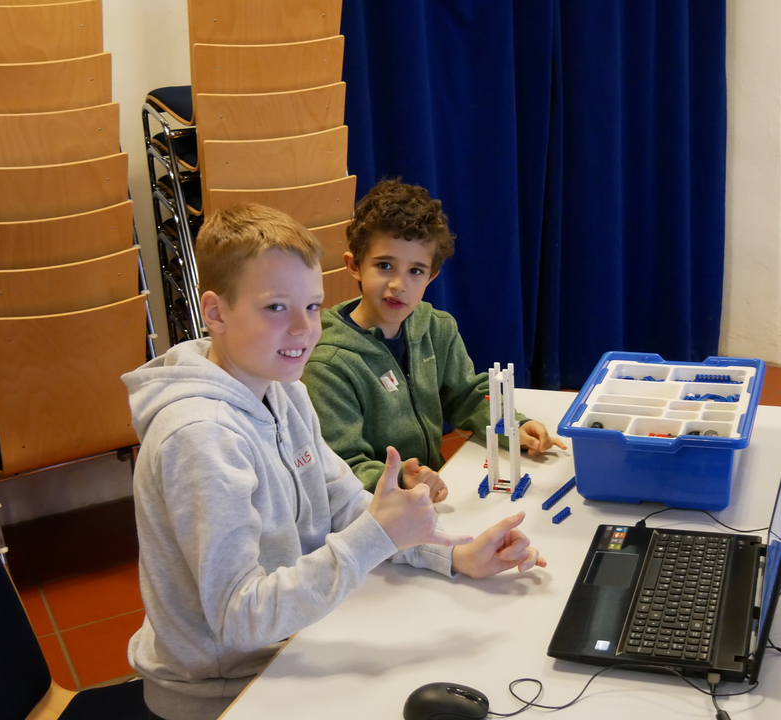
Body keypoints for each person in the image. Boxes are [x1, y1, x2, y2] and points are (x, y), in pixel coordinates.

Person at [123, 204, 546, 720]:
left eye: (312, 305)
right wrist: (378, 535)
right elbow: (240, 619)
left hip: (294, 643)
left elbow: (346, 504)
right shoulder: (200, 437)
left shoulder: (283, 392)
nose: (304, 329)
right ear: (215, 313)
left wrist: (453, 555)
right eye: (275, 307)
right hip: (225, 692)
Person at [304, 179, 566, 501]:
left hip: (432, 492)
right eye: (384, 265)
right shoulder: (329, 364)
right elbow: (342, 465)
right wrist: (402, 479)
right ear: (354, 266)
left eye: (416, 271)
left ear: (432, 276)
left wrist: (513, 426)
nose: (399, 284)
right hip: (375, 507)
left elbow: (467, 396)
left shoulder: (436, 327)